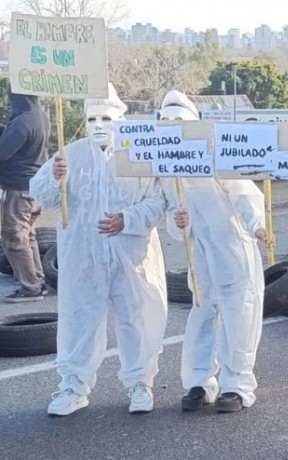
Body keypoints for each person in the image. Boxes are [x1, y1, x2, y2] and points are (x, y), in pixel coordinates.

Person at [30, 83, 168, 416]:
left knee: (136, 319)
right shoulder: (71, 154)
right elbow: (42, 195)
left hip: (131, 255)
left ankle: (140, 383)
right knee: (79, 319)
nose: (98, 125)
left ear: (120, 117)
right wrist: (54, 178)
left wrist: (128, 218)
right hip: (83, 255)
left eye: (105, 117)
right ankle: (73, 387)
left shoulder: (139, 152)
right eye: (91, 118)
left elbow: (159, 200)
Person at [157, 90, 268, 413]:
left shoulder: (214, 156)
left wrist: (257, 224)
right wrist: (179, 223)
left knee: (239, 319)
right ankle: (199, 382)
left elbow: (243, 192)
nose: (173, 127)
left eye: (180, 121)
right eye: (166, 121)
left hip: (233, 249)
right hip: (201, 256)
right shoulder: (166, 169)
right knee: (201, 317)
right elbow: (174, 225)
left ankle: (237, 386)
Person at [0, 92, 49, 302]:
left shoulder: (22, 121)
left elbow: (3, 152)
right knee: (28, 236)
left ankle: (30, 288)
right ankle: (37, 280)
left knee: (14, 238)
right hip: (35, 186)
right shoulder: (40, 115)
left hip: (20, 188)